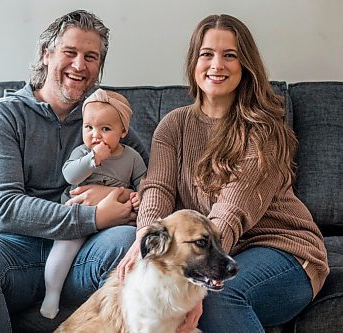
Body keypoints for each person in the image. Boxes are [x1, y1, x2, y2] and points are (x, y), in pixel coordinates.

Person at [0, 10, 150, 332]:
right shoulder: (2, 116)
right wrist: (93, 216)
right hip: (12, 251)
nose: (80, 65)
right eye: (70, 52)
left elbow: (154, 187)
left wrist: (118, 196)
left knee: (125, 241)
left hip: (86, 253)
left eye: (91, 57)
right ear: (46, 54)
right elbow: (5, 207)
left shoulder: (108, 121)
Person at [117, 14, 329, 333]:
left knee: (220, 295)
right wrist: (144, 238)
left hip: (286, 252)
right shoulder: (172, 126)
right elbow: (157, 190)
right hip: (221, 252)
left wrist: (203, 280)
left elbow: (231, 211)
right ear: (194, 62)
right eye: (207, 54)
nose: (217, 64)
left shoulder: (263, 130)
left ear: (245, 65)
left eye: (229, 55)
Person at [40, 88, 147, 319]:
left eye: (105, 129)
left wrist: (138, 194)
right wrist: (92, 159)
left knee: (124, 241)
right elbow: (70, 176)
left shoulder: (132, 158)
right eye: (88, 127)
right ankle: (52, 293)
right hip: (79, 216)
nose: (95, 135)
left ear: (123, 131)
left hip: (114, 224)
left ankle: (110, 310)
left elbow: (144, 183)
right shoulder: (82, 152)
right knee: (63, 249)